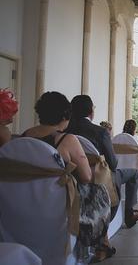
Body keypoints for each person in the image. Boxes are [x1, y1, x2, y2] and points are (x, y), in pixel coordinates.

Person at [22, 92, 113, 263]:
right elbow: (86, 176)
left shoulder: (25, 135)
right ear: (66, 115)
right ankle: (99, 244)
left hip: (23, 197)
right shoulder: (67, 139)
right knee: (98, 191)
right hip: (57, 199)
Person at [66, 95, 138, 228]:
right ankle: (129, 214)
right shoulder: (100, 132)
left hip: (71, 177)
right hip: (98, 178)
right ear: (90, 112)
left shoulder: (65, 132)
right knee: (134, 173)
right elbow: (113, 163)